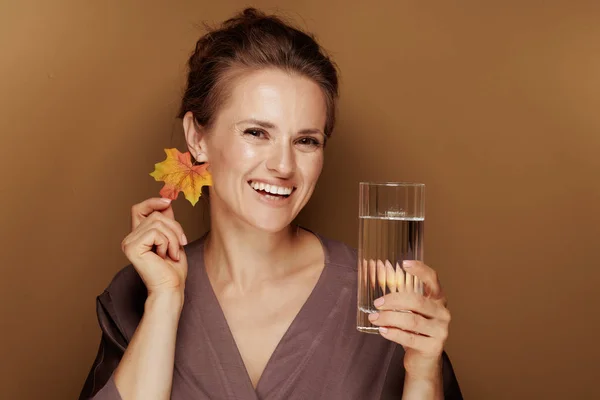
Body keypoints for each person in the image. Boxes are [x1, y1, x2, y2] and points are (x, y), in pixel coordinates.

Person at [78, 8, 462, 400]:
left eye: (306, 141)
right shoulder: (138, 292)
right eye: (257, 132)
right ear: (197, 137)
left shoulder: (383, 298)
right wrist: (163, 300)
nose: (283, 165)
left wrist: (422, 374)